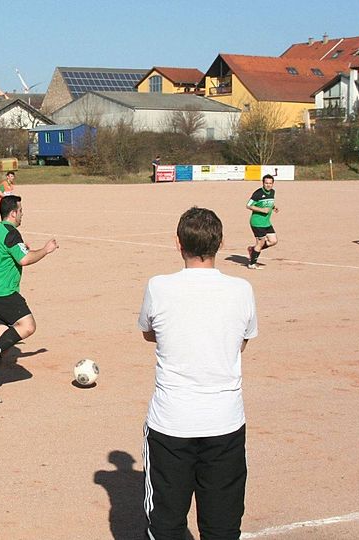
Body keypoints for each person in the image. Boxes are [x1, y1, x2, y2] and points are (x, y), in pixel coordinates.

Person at [137, 206, 257, 540]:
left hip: (171, 423)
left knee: (166, 522)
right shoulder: (242, 290)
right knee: (222, 525)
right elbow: (241, 343)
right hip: (225, 423)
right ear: (219, 243)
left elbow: (148, 332)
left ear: (179, 243)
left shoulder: (158, 287)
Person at [0, 195, 58, 403]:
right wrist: (46, 250)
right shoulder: (11, 232)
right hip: (4, 293)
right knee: (28, 326)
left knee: (4, 345)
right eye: (21, 210)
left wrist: (19, 247)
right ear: (13, 213)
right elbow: (24, 259)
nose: (22, 214)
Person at [246, 174, 278, 270]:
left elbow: (269, 203)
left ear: (273, 184)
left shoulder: (272, 192)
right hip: (257, 222)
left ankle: (253, 249)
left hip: (266, 222)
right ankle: (252, 264)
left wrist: (274, 207)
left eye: (270, 183)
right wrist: (262, 210)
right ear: (263, 183)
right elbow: (248, 205)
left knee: (273, 241)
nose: (268, 185)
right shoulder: (258, 193)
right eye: (266, 183)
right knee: (260, 243)